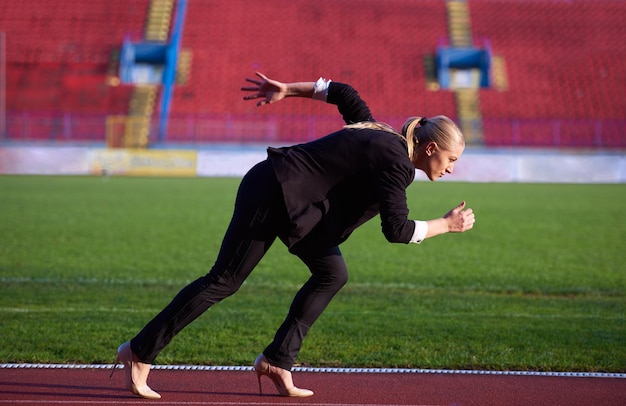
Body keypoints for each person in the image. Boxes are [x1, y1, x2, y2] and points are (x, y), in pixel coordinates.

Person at [110, 72, 475, 399]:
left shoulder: (378, 130)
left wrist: (287, 89)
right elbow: (396, 231)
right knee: (224, 280)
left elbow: (343, 92)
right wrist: (446, 225)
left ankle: (276, 361)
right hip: (272, 193)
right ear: (430, 148)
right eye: (451, 159)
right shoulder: (396, 162)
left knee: (332, 274)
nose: (451, 169)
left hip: (298, 208)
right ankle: (140, 352)